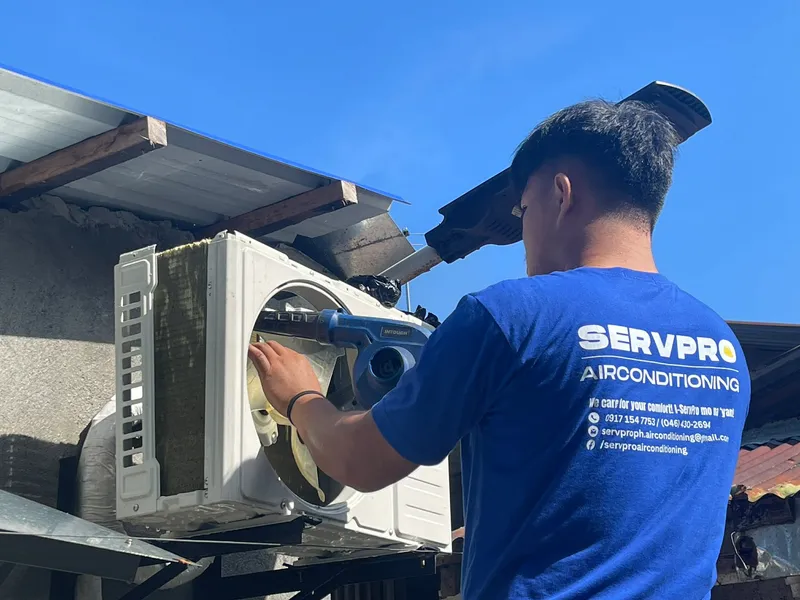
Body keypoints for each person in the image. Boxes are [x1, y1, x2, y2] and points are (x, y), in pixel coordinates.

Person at [248, 99, 751, 600]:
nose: (523, 236)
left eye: (523, 211)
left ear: (561, 192)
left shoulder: (514, 315)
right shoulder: (721, 344)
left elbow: (362, 461)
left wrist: (302, 401)